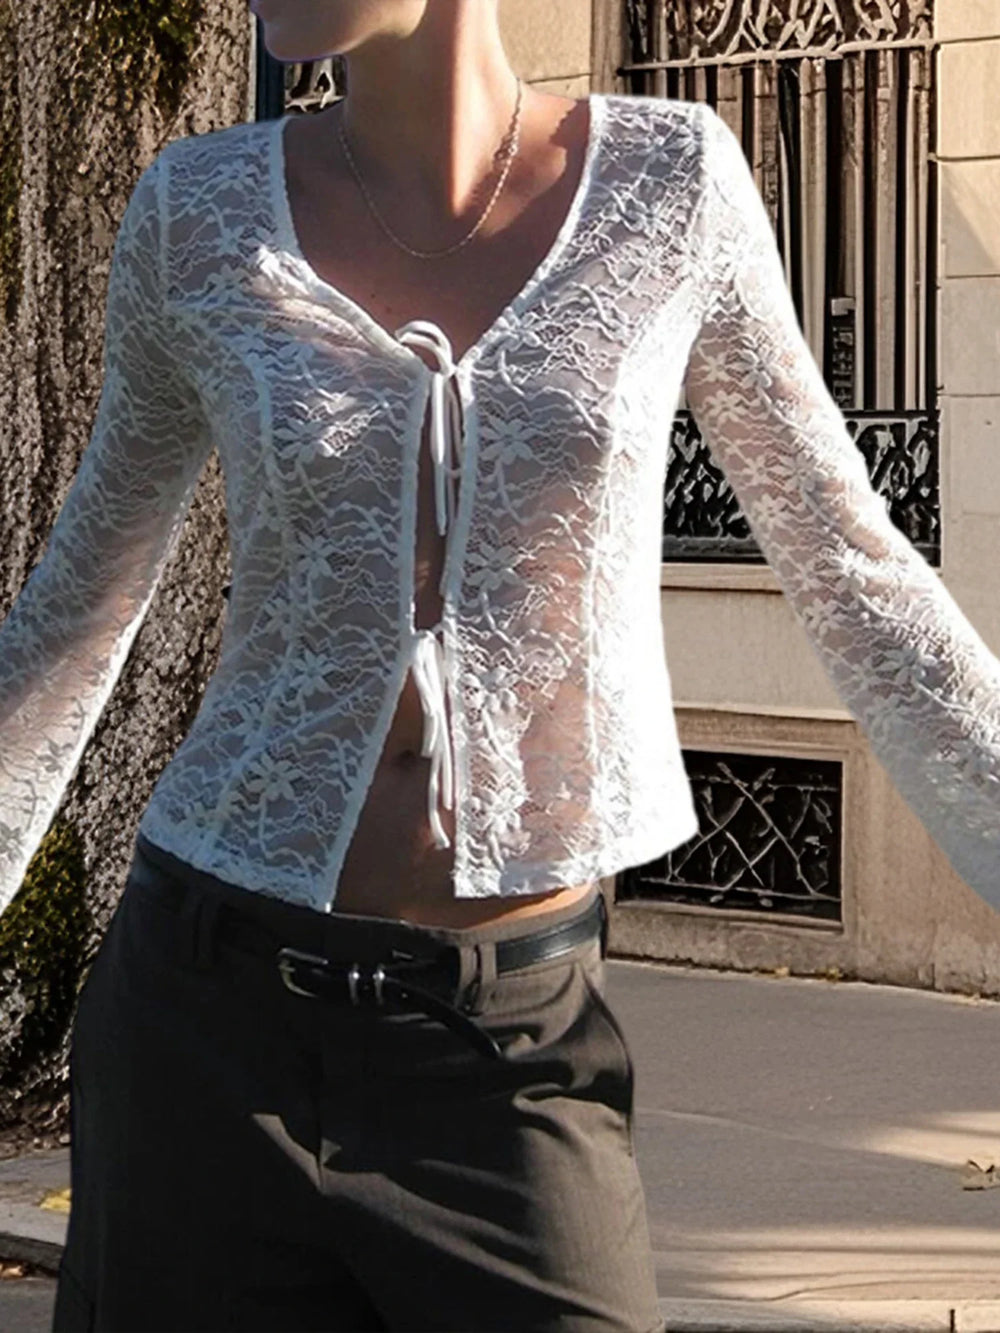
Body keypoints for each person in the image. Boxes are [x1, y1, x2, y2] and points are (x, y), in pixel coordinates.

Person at [0, 0, 996, 1329]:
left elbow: (853, 572)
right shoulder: (198, 210)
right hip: (201, 1014)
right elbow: (79, 604)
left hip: (510, 1041)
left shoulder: (672, 186)